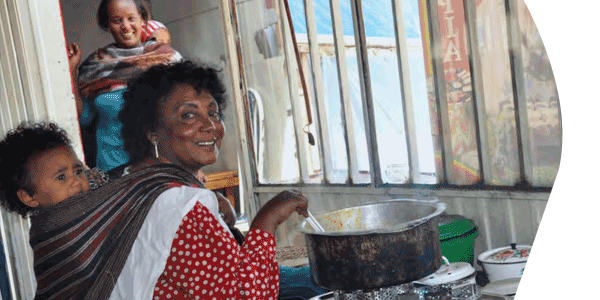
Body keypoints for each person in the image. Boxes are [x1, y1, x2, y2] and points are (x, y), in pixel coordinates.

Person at [26, 61, 309, 300]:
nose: (210, 125)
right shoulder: (178, 204)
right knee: (318, 277)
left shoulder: (133, 183)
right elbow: (248, 296)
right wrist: (267, 219)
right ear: (152, 132)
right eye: (188, 115)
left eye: (212, 112)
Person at [67, 0, 182, 171]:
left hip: (161, 165)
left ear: (143, 19)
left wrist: (193, 165)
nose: (126, 26)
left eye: (131, 18)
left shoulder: (167, 59)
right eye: (117, 20)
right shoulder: (95, 66)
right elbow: (83, 117)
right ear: (107, 24)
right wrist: (72, 70)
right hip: (113, 168)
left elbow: (186, 115)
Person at [0, 122, 101, 218]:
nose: (76, 181)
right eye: (61, 177)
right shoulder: (52, 232)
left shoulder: (96, 201)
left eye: (78, 171)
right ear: (29, 197)